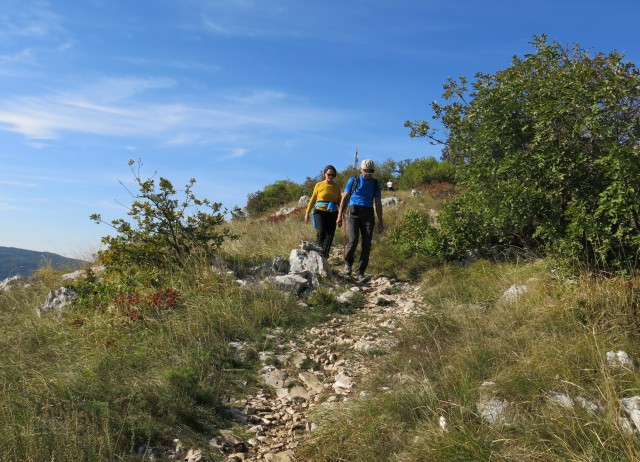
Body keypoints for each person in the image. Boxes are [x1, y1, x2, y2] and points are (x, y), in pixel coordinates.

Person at [337, 159, 383, 282]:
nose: (368, 174)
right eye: (366, 171)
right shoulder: (353, 180)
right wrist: (339, 215)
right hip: (354, 213)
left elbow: (378, 203)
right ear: (360, 169)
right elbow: (345, 197)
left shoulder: (375, 183)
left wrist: (380, 221)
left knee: (367, 244)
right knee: (353, 241)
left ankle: (360, 272)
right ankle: (348, 264)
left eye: (370, 172)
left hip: (368, 214)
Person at [304, 165, 342, 258]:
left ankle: (324, 256)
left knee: (329, 236)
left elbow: (340, 202)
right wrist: (307, 213)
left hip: (332, 212)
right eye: (329, 174)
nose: (331, 177)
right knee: (321, 232)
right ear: (324, 174)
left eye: (333, 175)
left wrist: (341, 215)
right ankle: (317, 255)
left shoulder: (337, 187)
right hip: (319, 212)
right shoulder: (319, 185)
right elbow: (313, 199)